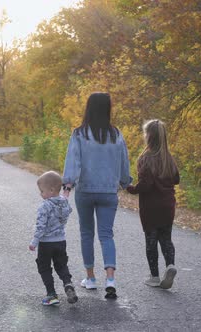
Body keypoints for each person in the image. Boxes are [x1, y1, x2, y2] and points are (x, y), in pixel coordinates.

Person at [62, 92, 132, 299]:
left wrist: (68, 184)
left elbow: (73, 162)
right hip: (108, 192)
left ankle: (91, 279)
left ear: (89, 108)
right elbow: (123, 162)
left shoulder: (79, 134)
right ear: (107, 109)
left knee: (86, 233)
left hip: (85, 190)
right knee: (106, 234)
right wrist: (125, 182)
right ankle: (110, 279)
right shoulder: (116, 134)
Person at [126, 119, 180, 289]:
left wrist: (130, 188)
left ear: (148, 136)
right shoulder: (168, 158)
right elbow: (176, 179)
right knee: (166, 239)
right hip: (167, 206)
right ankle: (170, 265)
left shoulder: (145, 158)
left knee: (151, 241)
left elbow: (145, 185)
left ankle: (154, 276)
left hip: (150, 208)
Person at [29, 171, 78, 306]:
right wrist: (65, 193)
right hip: (61, 242)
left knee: (44, 267)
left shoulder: (45, 206)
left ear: (51, 190)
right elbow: (67, 207)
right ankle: (67, 283)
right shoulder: (64, 203)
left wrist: (34, 242)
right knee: (61, 265)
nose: (41, 194)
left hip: (46, 243)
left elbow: (40, 226)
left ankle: (51, 294)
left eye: (42, 191)